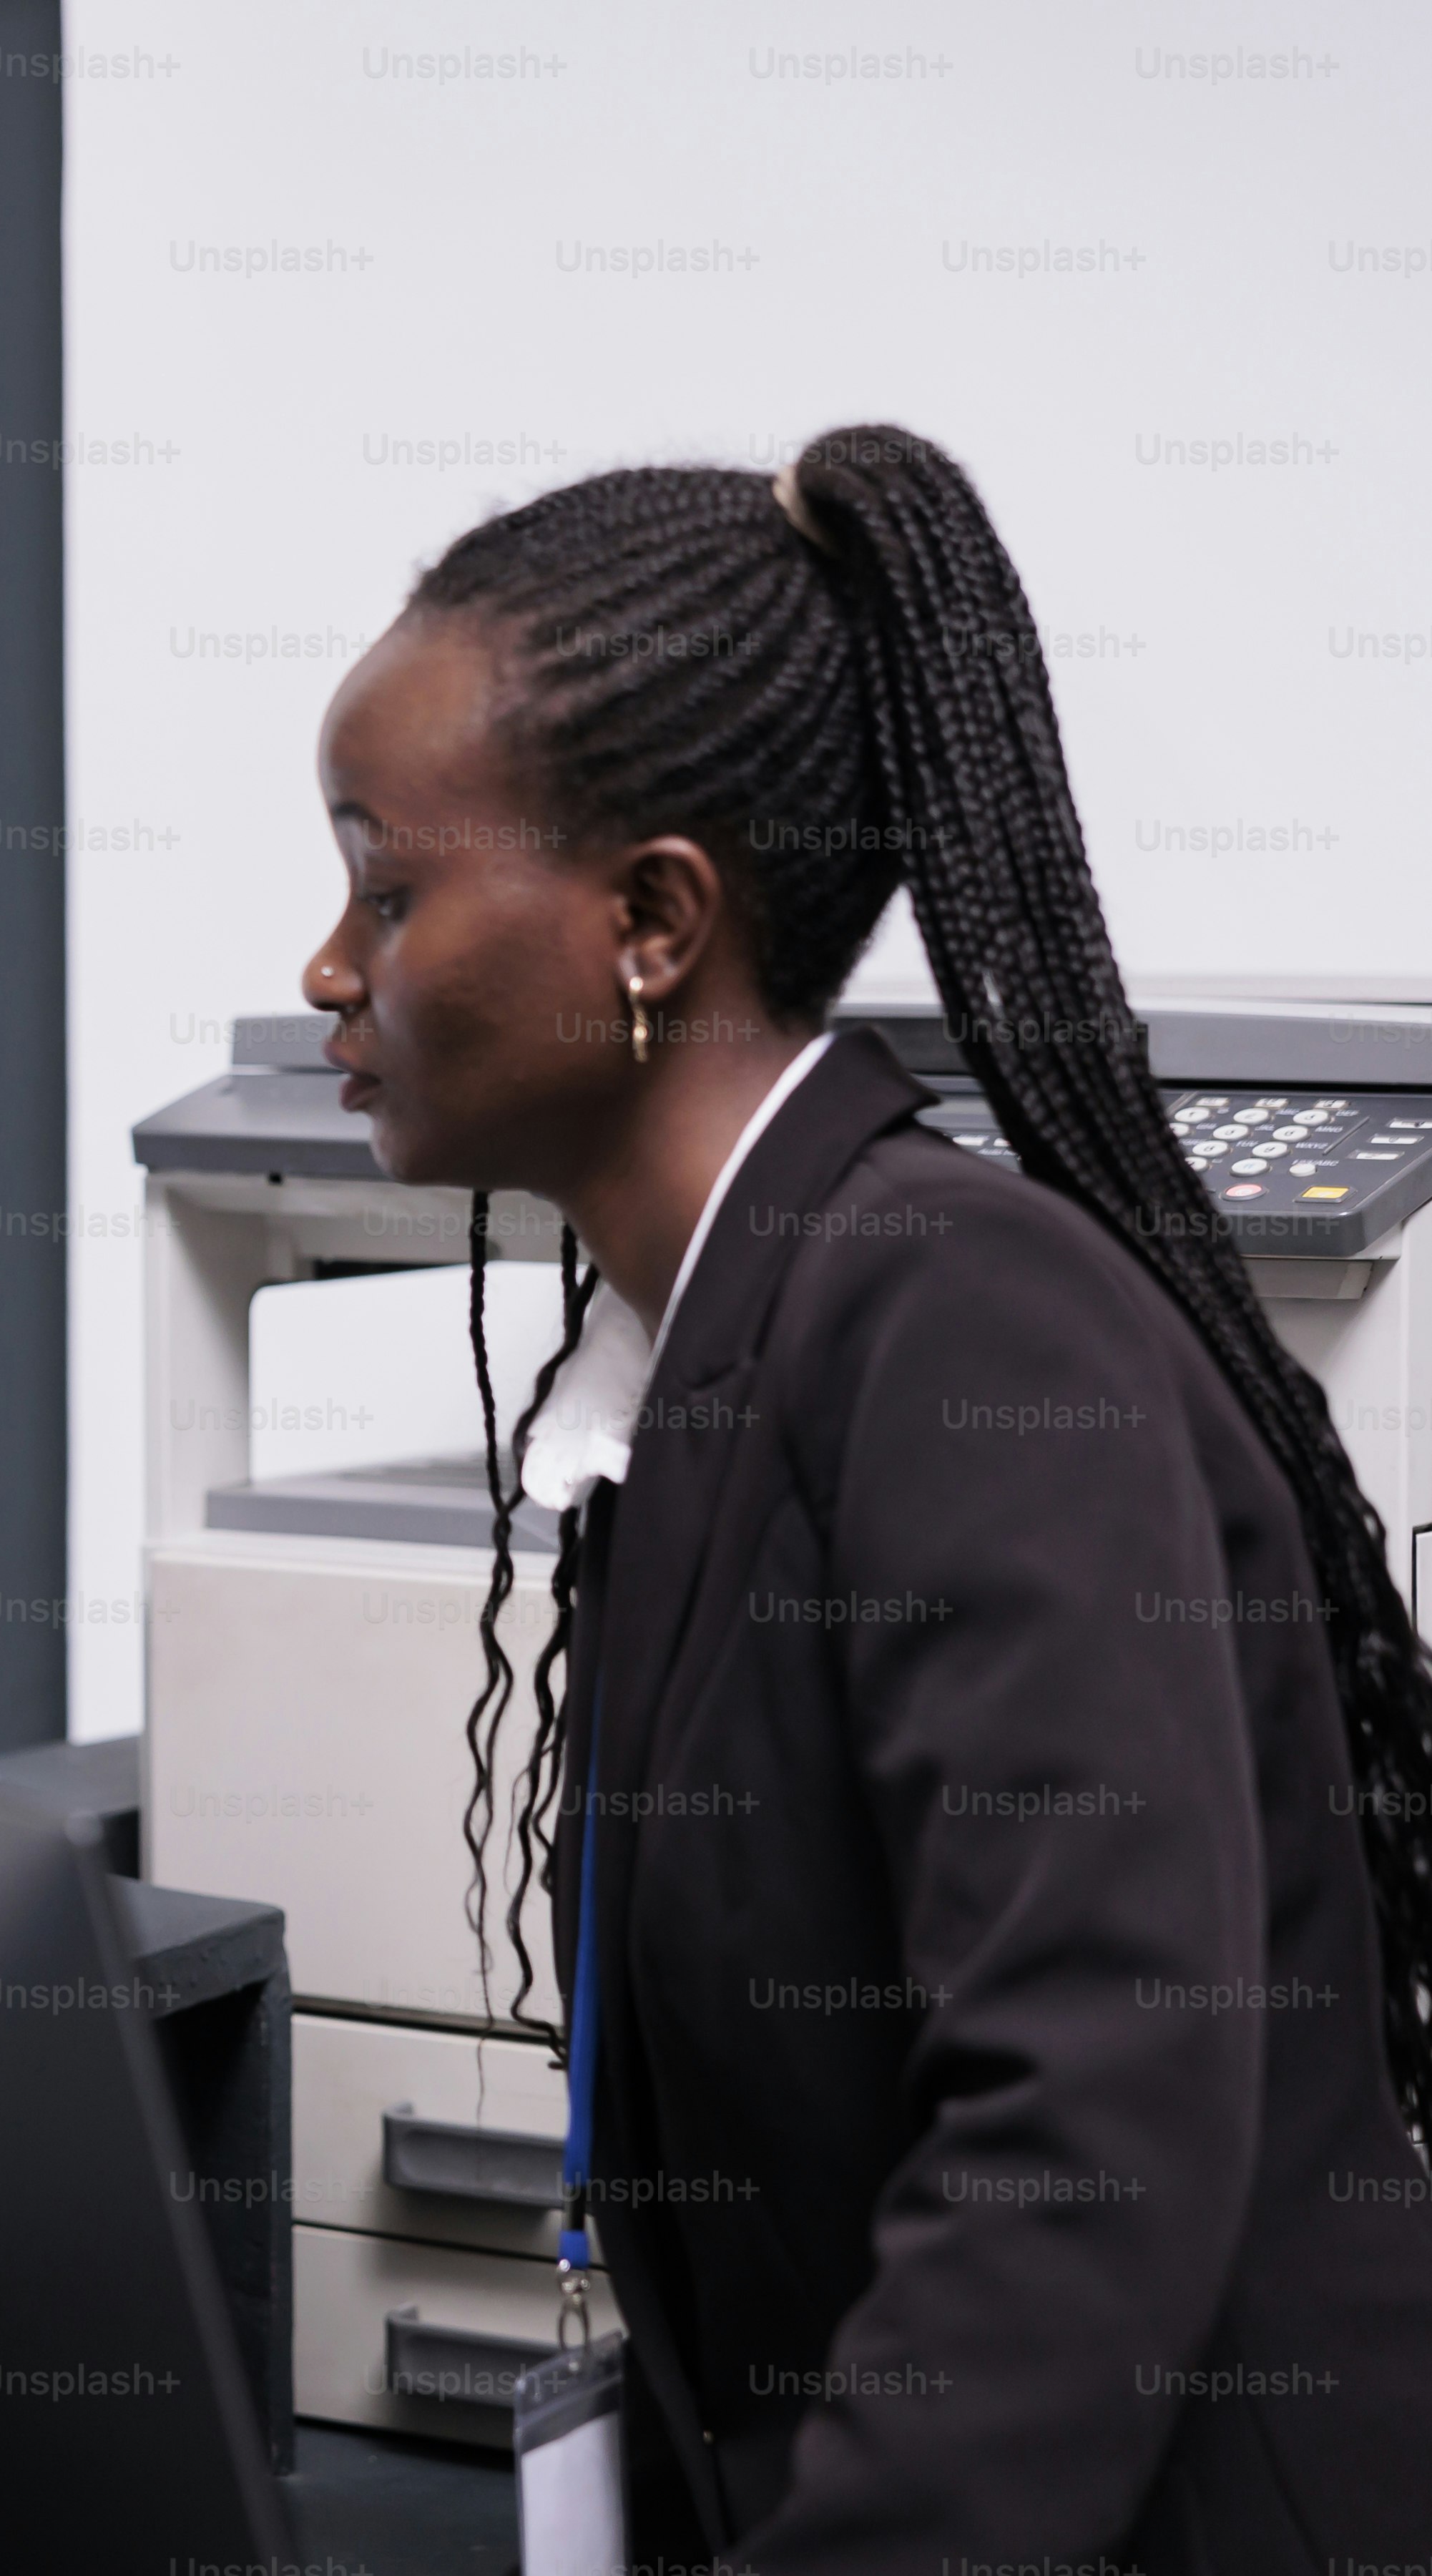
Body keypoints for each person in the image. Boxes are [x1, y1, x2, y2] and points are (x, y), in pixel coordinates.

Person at [300, 425, 1432, 2566]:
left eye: (385, 884)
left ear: (648, 921)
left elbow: (1077, 2153)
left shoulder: (968, 1335)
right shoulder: (721, 1347)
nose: (329, 968)